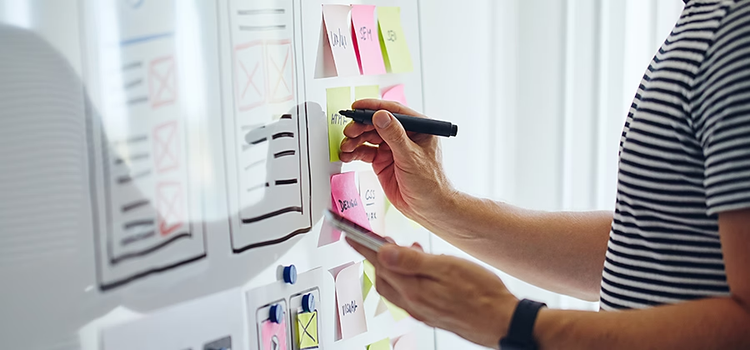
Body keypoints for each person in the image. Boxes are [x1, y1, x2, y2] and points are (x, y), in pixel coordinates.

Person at [340, 1, 750, 348]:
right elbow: (652, 243)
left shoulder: (736, 32)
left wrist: (512, 323)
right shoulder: (709, 19)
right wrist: (441, 205)